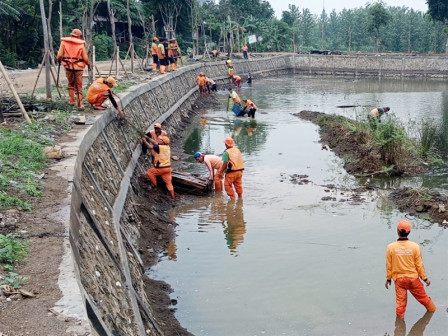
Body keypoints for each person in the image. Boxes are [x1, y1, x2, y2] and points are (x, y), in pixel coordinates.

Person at [385, 219, 436, 319]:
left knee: (400, 304)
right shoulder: (415, 246)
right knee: (424, 299)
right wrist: (425, 279)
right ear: (409, 232)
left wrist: (388, 279)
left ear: (397, 231)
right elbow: (419, 265)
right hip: (413, 279)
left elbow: (389, 265)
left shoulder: (390, 247)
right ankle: (433, 312)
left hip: (399, 280)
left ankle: (399, 327)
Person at [57, 28, 90, 110]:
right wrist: (88, 64)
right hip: (78, 68)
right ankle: (80, 105)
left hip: (68, 67)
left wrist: (59, 61)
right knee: (79, 86)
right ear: (79, 36)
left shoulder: (64, 42)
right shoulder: (81, 45)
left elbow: (59, 55)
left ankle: (71, 101)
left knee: (70, 84)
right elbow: (85, 58)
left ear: (71, 34)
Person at [142, 135, 175, 199]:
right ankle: (173, 197)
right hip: (168, 169)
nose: (159, 140)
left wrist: (144, 140)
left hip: (161, 168)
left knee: (150, 172)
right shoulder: (167, 147)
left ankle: (154, 186)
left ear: (163, 142)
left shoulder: (159, 147)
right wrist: (147, 137)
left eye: (160, 140)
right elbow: (155, 142)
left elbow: (150, 146)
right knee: (169, 184)